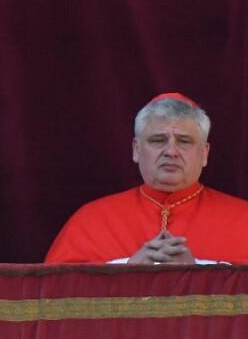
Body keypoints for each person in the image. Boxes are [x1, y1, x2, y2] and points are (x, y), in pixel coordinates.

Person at [46, 93, 248, 264]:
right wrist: (127, 273)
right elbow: (55, 300)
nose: (171, 151)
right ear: (136, 149)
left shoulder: (242, 220)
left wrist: (198, 275)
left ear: (204, 154)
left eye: (184, 141)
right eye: (158, 140)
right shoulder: (89, 222)